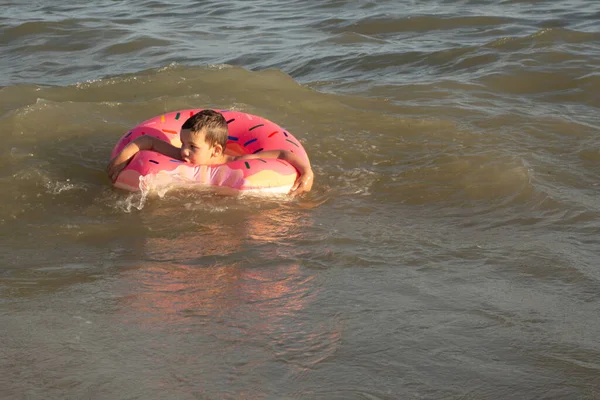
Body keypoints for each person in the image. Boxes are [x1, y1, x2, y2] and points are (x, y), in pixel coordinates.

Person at [107, 109, 314, 195]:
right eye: (182, 143)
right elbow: (146, 140)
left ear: (215, 150)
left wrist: (307, 173)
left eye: (192, 147)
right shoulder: (179, 155)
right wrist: (120, 160)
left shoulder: (237, 160)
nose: (184, 151)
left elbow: (282, 154)